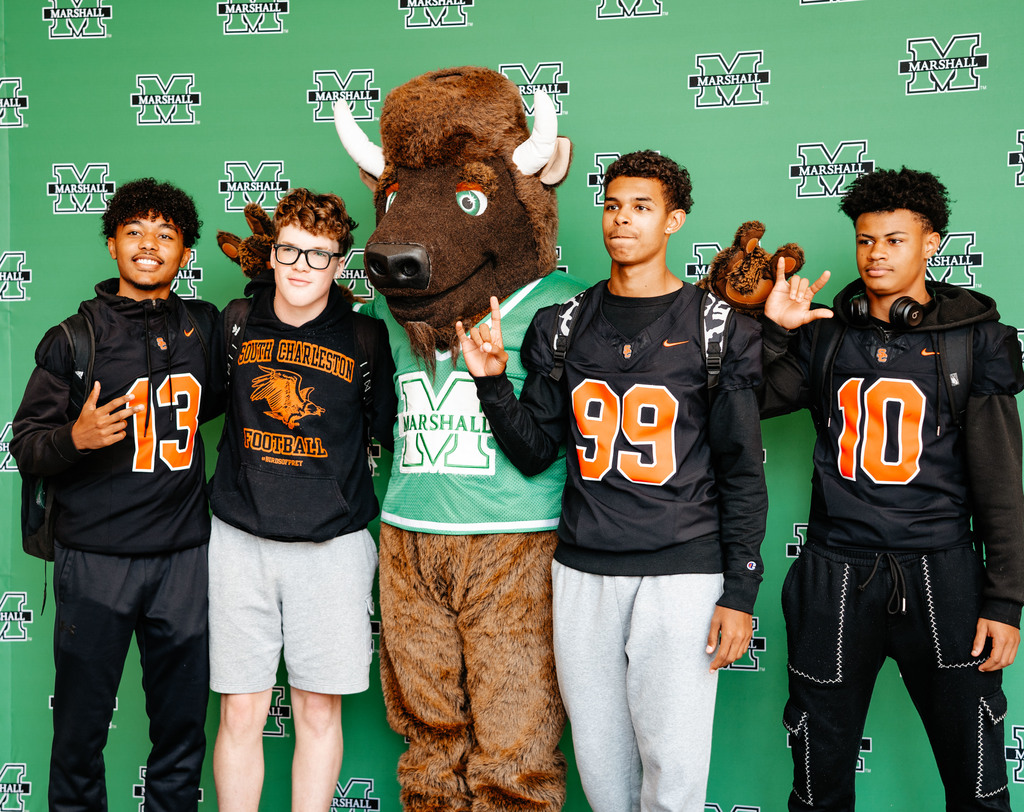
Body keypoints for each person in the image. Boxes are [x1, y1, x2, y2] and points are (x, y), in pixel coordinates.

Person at [456, 150, 768, 812]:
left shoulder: (717, 328)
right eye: (613, 205)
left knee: (673, 769)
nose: (622, 219)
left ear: (674, 221)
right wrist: (492, 385)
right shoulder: (563, 324)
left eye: (642, 207)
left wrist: (740, 591)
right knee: (601, 768)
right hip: (584, 570)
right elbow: (536, 452)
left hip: (681, 571)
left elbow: (742, 470)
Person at [759, 166, 1024, 811]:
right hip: (836, 571)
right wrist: (775, 333)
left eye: (895, 240)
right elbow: (750, 403)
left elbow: (1000, 478)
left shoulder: (972, 339)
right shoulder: (823, 332)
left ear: (931, 243)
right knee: (817, 781)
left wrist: (1006, 599)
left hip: (942, 572)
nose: (876, 254)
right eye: (865, 240)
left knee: (978, 778)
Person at [11, 178, 217, 812]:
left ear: (185, 252)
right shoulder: (74, 338)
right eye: (134, 231)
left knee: (181, 735)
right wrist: (73, 438)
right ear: (112, 245)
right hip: (95, 561)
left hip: (182, 560)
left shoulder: (205, 327)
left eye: (165, 234)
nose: (148, 244)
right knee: (80, 734)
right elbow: (27, 445)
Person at [206, 188, 397, 812]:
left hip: (333, 547)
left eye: (319, 255)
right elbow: (201, 404)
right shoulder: (236, 322)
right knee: (241, 709)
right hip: (240, 540)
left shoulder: (365, 337)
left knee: (317, 710)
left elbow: (392, 429)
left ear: (340, 264)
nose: (301, 266)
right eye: (289, 250)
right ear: (271, 253)